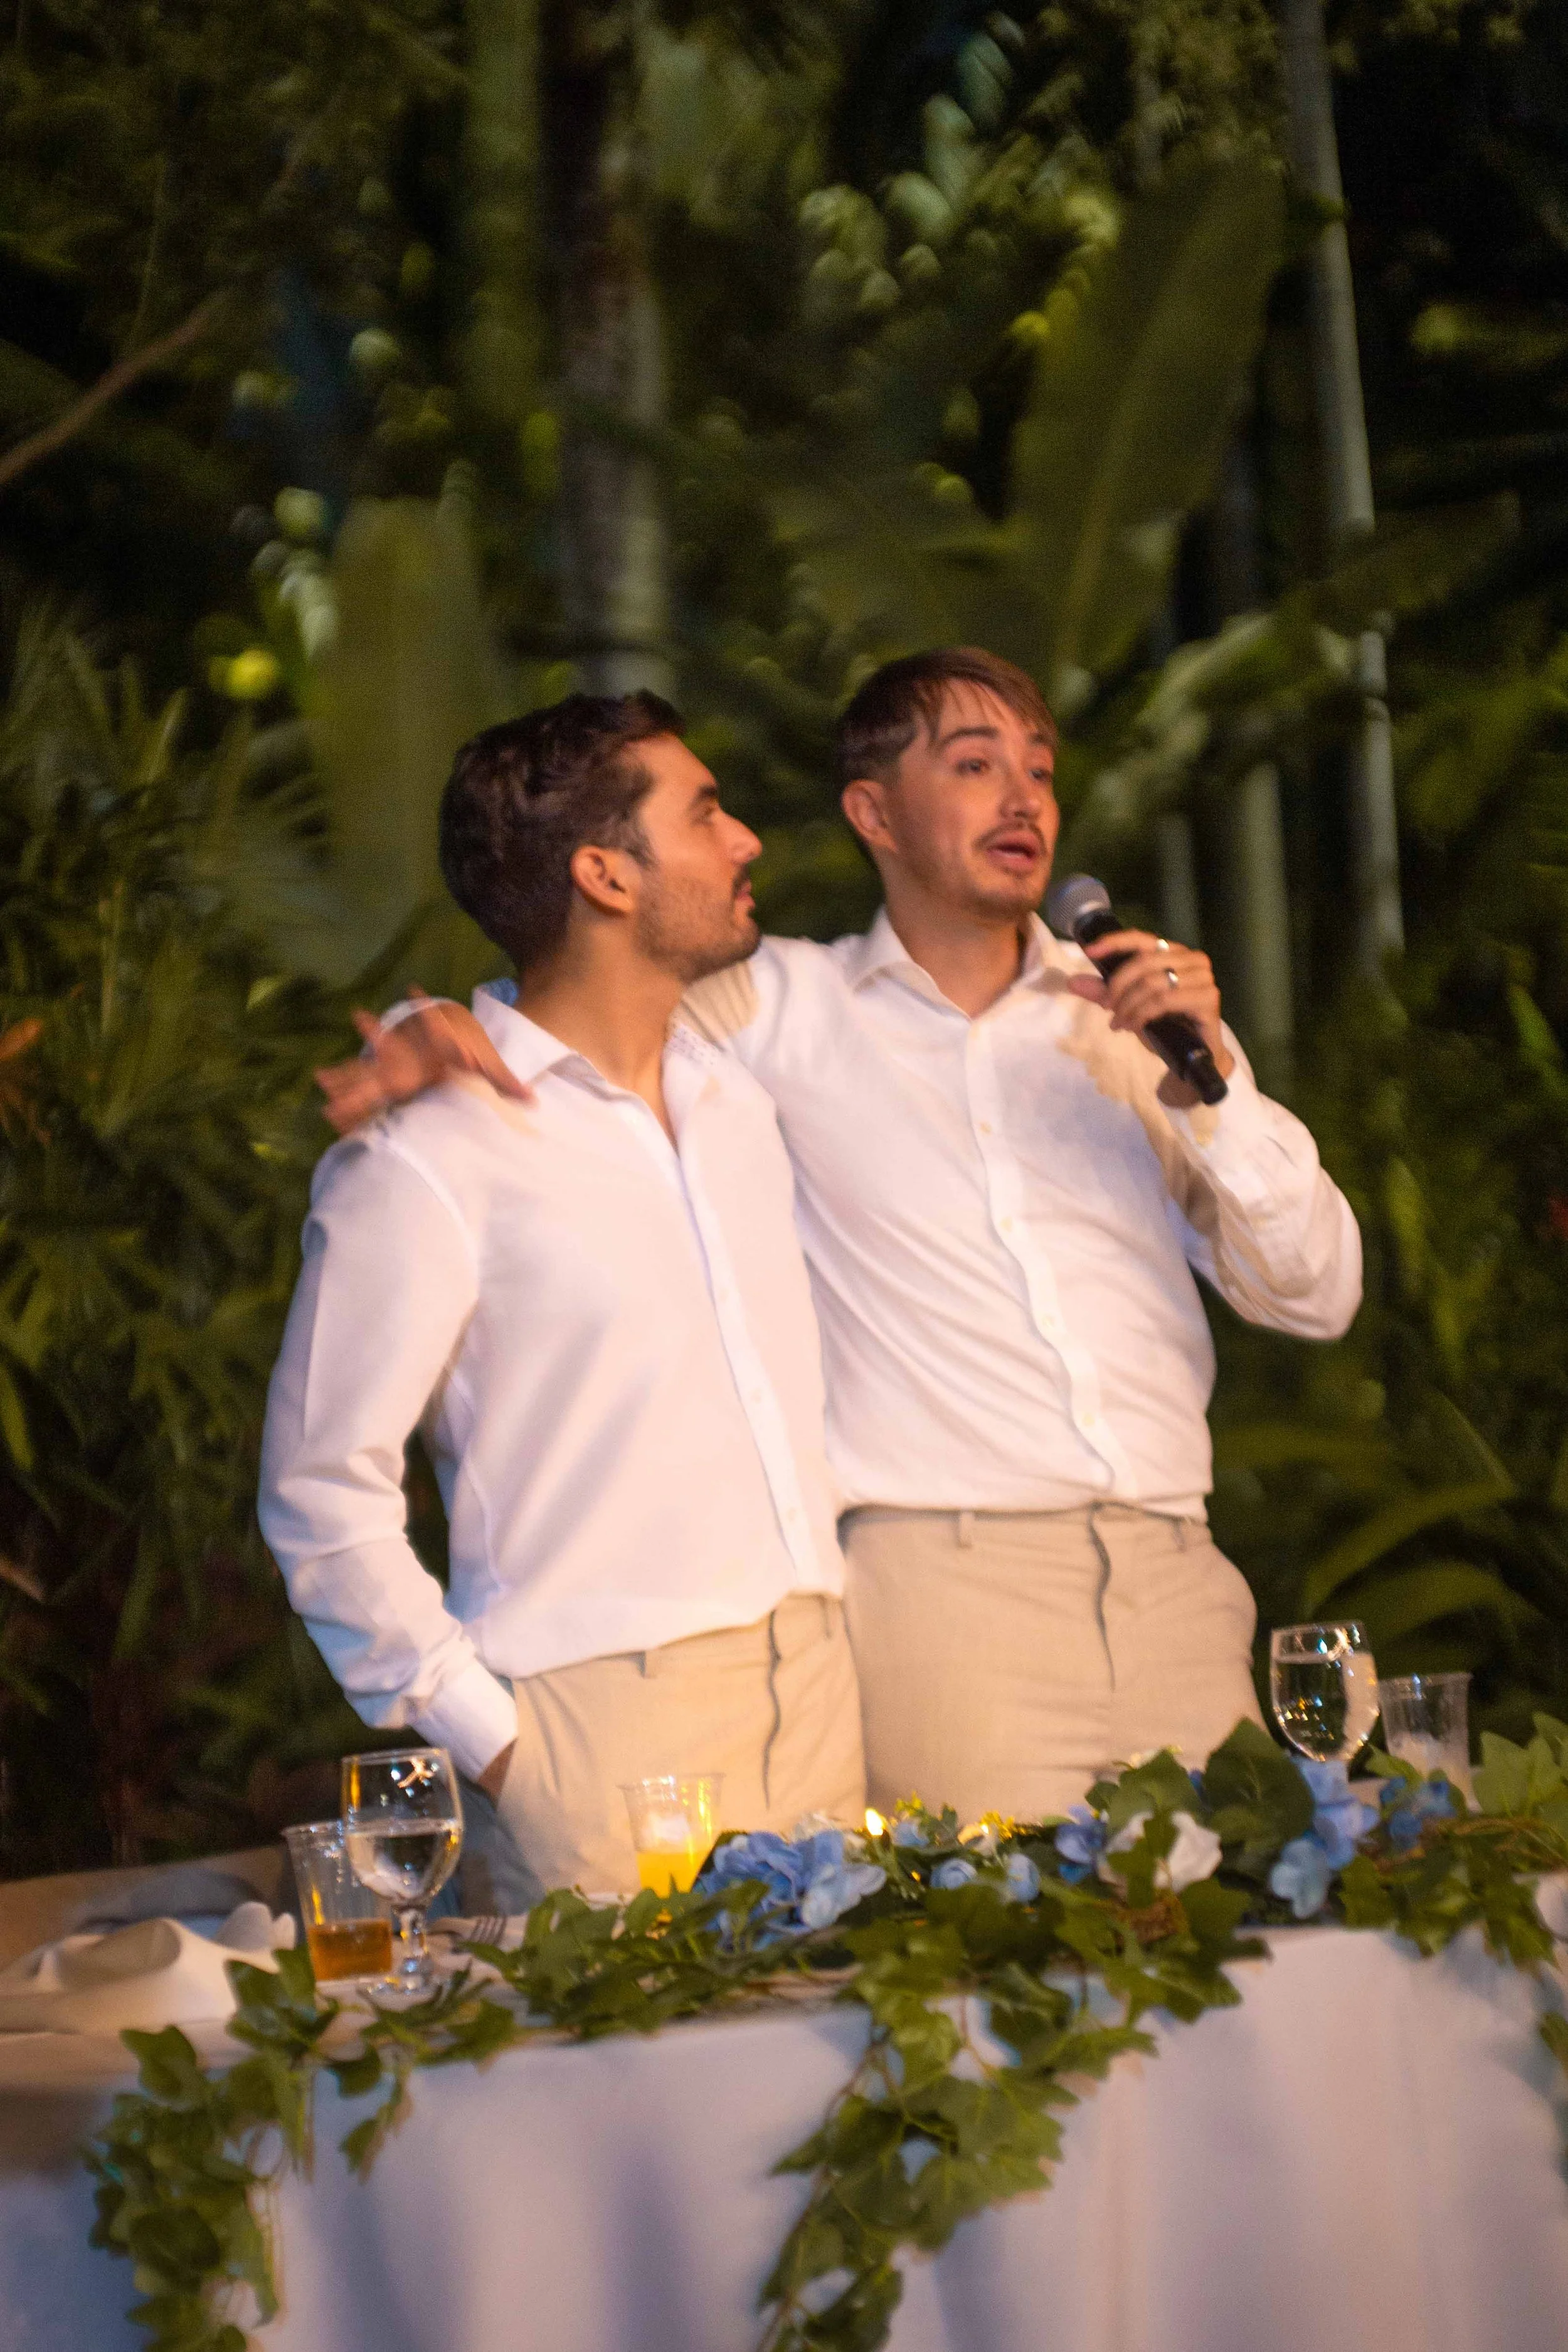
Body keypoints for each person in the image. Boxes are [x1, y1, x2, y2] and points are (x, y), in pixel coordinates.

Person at [324, 649, 1362, 1824]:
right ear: (873, 812)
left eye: (1038, 768)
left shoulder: (1139, 1020)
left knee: (1245, 1950)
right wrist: (432, 1024)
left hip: (1185, 1578)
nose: (1023, 798)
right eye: (974, 765)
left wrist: (1213, 1077)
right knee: (994, 1982)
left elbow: (1316, 1295)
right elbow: (583, 996)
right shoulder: (774, 1011)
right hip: (944, 1606)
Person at [259, 693, 864, 1908]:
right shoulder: (430, 1154)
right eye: (703, 814)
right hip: (593, 1734)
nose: (745, 839)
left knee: (851, 2094)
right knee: (632, 2106)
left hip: (816, 1702)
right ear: (605, 874)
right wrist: (503, 1748)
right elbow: (319, 1492)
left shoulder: (742, 1099)